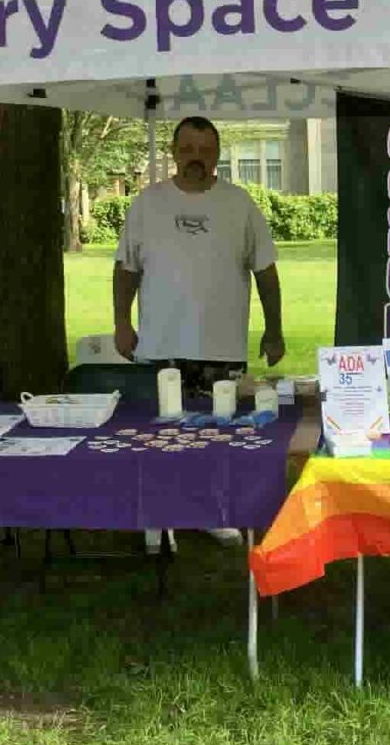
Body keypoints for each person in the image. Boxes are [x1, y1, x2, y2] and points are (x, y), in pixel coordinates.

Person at [113, 115, 285, 547]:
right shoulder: (148, 204)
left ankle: (210, 511)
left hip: (220, 346)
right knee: (159, 435)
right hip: (160, 345)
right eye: (187, 149)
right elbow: (125, 268)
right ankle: (157, 518)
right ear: (173, 152)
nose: (196, 158)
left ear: (217, 155)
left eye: (205, 151)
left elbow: (265, 270)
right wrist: (121, 322)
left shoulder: (239, 204)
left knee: (215, 435)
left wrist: (274, 329)